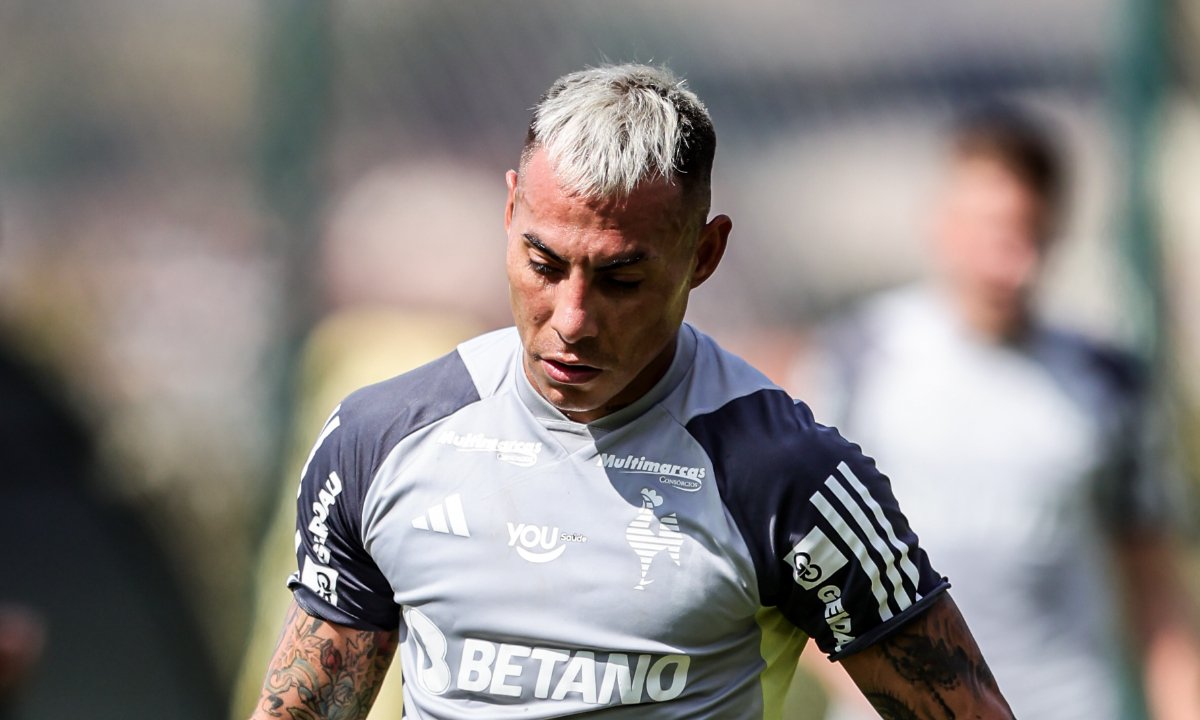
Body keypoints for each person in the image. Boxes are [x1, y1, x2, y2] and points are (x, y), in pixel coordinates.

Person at [248, 63, 1014, 719]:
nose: (573, 320)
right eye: (544, 264)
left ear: (705, 253)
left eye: (622, 279)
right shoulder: (381, 440)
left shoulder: (788, 479)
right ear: (510, 211)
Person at [795, 106, 1200, 720]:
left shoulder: (1105, 383)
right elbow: (791, 573)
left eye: (1027, 230)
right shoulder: (858, 362)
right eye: (989, 227)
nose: (1007, 256)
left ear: (1055, 231)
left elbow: (1154, 586)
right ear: (942, 224)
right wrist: (892, 699)